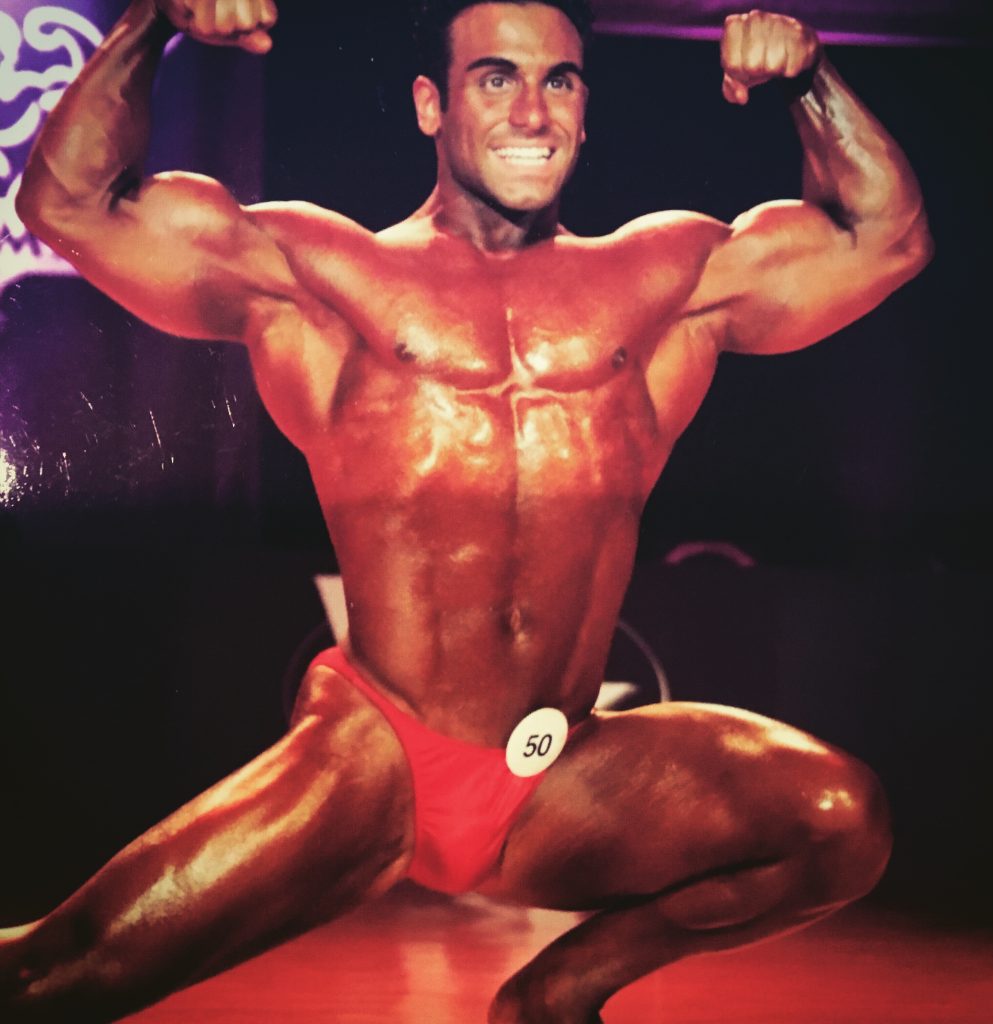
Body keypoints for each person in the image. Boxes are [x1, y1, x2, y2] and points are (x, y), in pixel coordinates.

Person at [3, 0, 932, 1021]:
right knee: (54, 977)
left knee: (840, 822)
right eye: (496, 78)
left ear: (585, 109)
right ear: (429, 106)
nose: (532, 111)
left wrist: (808, 82)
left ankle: (558, 990)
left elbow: (885, 240)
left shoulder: (665, 279)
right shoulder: (326, 274)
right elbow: (71, 207)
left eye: (559, 81)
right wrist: (151, 22)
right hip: (381, 754)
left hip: (560, 773)